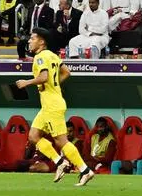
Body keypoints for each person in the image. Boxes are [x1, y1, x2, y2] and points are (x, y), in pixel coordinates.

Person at [15, 28, 94, 186]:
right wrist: (54, 85)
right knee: (33, 136)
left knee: (61, 141)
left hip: (52, 105)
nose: (29, 41)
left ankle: (85, 170)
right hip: (49, 105)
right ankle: (60, 162)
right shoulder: (52, 55)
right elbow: (66, 72)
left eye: (33, 38)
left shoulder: (40, 57)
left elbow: (44, 77)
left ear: (41, 42)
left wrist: (27, 83)